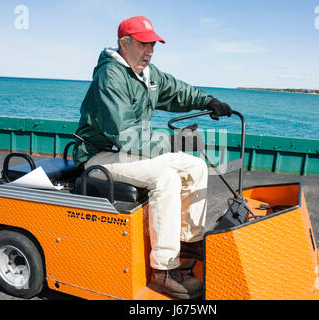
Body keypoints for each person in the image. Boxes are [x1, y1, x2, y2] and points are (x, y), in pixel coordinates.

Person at [73, 16, 232, 299]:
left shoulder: (146, 73)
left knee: (195, 166)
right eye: (144, 44)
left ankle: (188, 240)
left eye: (153, 45)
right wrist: (173, 141)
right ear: (125, 43)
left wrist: (208, 101)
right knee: (165, 178)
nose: (150, 51)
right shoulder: (110, 76)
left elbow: (177, 90)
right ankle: (163, 269)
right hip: (99, 156)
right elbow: (125, 134)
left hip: (128, 152)